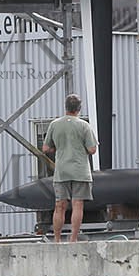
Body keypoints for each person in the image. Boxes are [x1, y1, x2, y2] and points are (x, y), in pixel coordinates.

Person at [41, 93, 98, 243]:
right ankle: (73, 239)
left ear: (65, 107)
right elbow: (92, 149)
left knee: (59, 205)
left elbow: (46, 148)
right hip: (80, 170)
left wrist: (58, 148)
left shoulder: (55, 124)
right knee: (77, 204)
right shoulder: (84, 125)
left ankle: (57, 239)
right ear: (79, 108)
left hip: (61, 170)